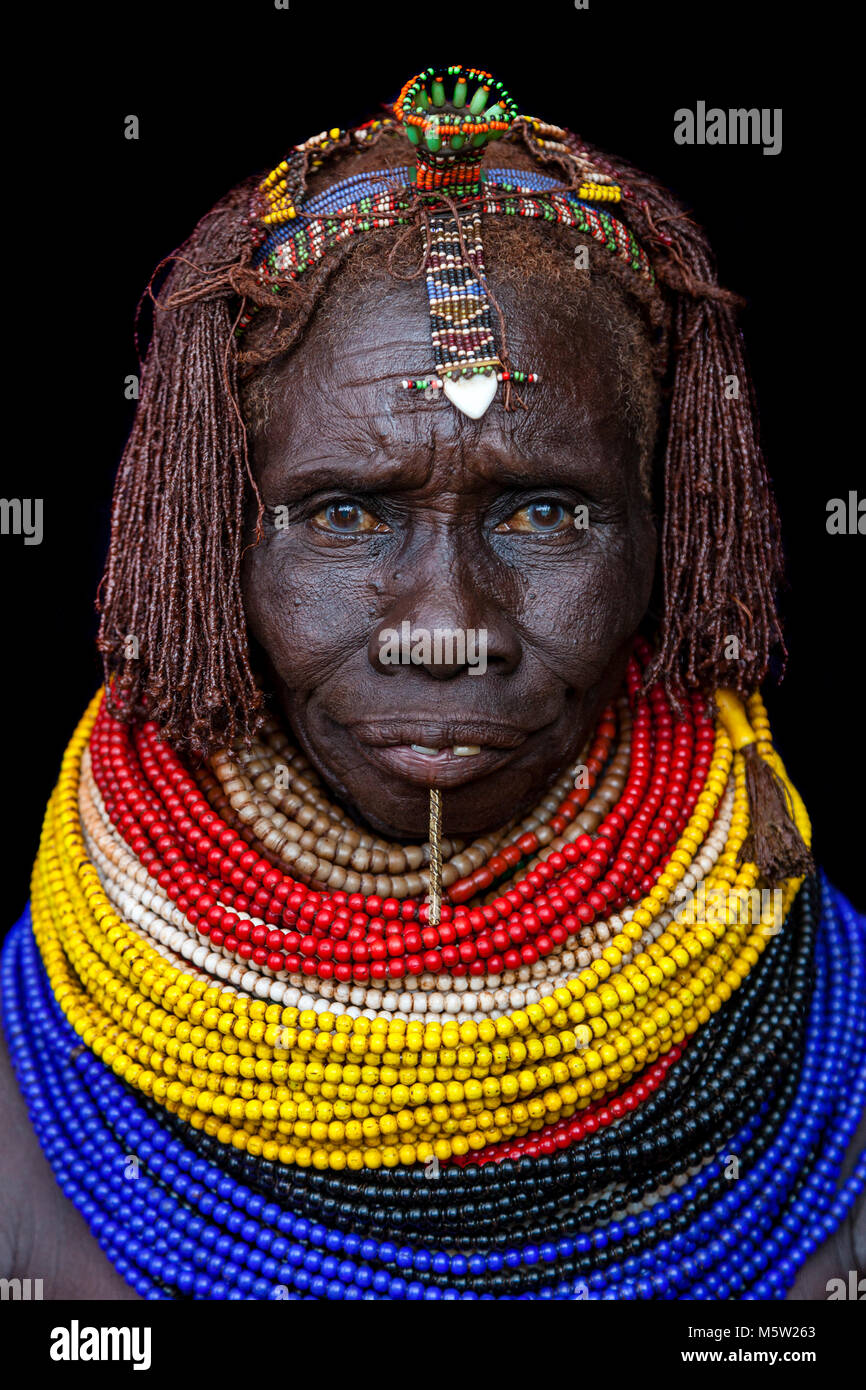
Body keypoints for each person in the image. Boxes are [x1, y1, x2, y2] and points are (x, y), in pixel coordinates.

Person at [1, 65, 863, 1301]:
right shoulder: (23, 1096)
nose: (448, 629)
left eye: (546, 511)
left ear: (669, 532)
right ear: (208, 541)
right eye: (345, 514)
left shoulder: (836, 1051)